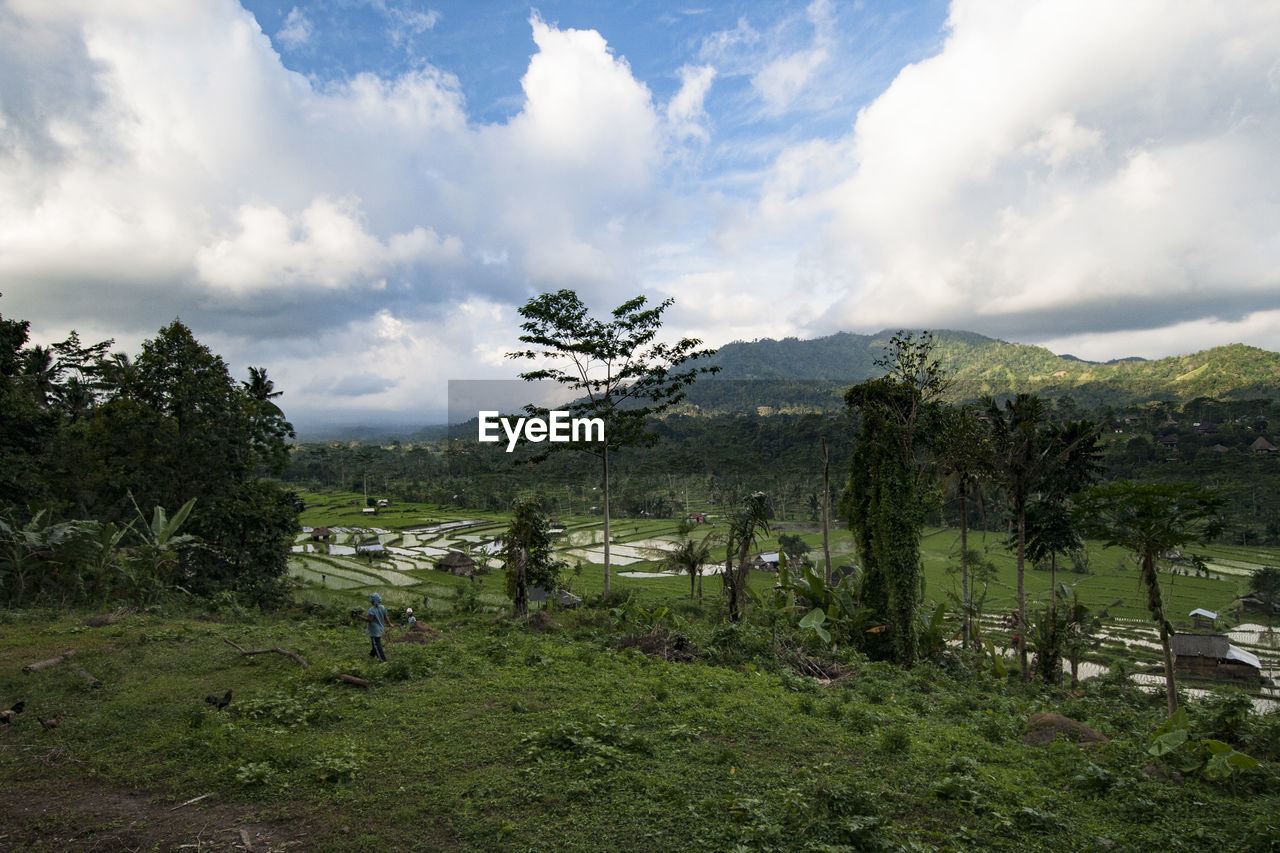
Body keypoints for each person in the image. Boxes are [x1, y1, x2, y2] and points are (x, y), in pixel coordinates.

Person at [360, 592, 391, 661]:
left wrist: (361, 617)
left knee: (377, 644)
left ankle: (382, 660)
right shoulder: (382, 607)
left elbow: (369, 620)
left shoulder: (372, 610)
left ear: (372, 601)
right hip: (380, 628)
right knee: (374, 643)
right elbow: (386, 617)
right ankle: (372, 654)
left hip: (374, 630)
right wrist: (389, 624)